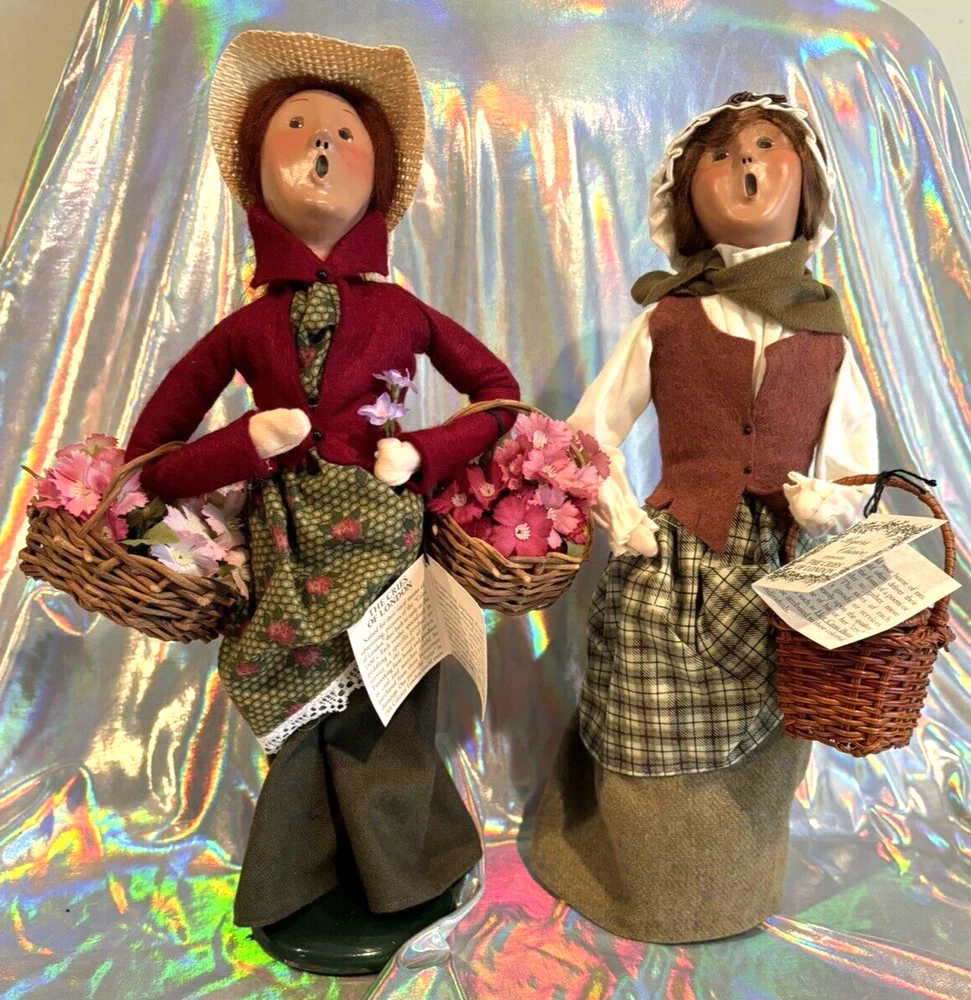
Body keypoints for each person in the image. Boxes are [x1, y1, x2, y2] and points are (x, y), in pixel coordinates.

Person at [124, 30, 520, 973]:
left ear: (376, 173)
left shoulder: (404, 313)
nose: (320, 146)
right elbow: (150, 459)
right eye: (297, 128)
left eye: (343, 134)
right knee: (298, 709)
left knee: (389, 709)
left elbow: (499, 398)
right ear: (258, 171)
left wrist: (421, 455)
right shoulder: (246, 326)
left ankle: (409, 872)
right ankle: (297, 880)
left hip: (387, 552)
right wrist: (244, 444)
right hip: (285, 554)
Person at [530, 92, 878, 943]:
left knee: (771, 721)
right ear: (686, 194)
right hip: (671, 553)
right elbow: (586, 434)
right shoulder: (669, 318)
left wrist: (829, 503)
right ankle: (641, 887)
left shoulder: (826, 334)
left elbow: (854, 460)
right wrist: (621, 515)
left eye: (765, 146)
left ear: (807, 185)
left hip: (782, 573)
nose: (746, 164)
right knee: (644, 709)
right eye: (720, 155)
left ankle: (733, 887)